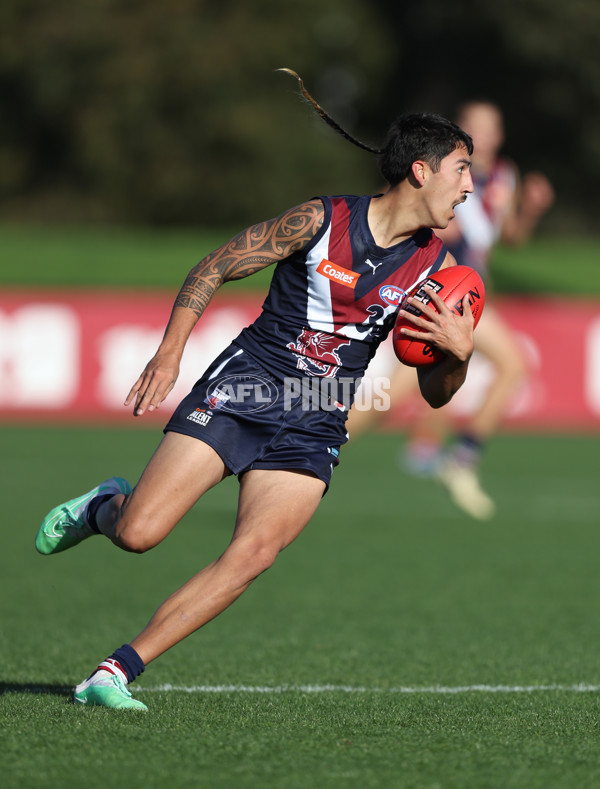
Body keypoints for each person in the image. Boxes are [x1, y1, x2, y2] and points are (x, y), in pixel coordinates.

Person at [35, 71, 476, 711]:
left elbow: (437, 393)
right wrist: (170, 351)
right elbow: (213, 266)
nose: (469, 186)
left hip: (319, 418)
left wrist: (456, 357)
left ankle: (114, 672)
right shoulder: (320, 221)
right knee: (139, 534)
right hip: (249, 387)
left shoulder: (437, 269)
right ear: (419, 170)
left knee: (253, 555)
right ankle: (106, 506)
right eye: (461, 170)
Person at [349, 101, 554, 521]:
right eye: (475, 126)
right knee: (394, 396)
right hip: (441, 296)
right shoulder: (446, 175)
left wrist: (531, 210)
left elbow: (508, 238)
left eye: (491, 127)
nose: (485, 134)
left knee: (511, 366)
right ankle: (309, 442)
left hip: (470, 301)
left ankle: (458, 458)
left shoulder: (504, 176)